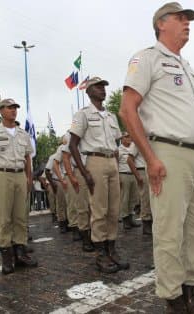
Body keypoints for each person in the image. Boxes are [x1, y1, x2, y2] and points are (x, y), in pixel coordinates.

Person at [120, 3, 194, 313]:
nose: (187, 23)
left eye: (188, 19)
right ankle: (173, 300)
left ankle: (192, 295)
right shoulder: (147, 58)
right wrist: (150, 158)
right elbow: (127, 109)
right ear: (161, 24)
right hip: (168, 152)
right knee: (170, 231)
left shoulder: (188, 67)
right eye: (180, 18)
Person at [69, 76, 128, 274]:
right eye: (98, 86)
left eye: (104, 86)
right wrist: (85, 172)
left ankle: (112, 250)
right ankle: (101, 253)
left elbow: (117, 143)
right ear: (88, 91)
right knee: (99, 209)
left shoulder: (111, 116)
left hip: (112, 161)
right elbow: (73, 145)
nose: (103, 89)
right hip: (95, 161)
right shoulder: (83, 115)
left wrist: (117, 168)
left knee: (113, 209)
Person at [0, 98, 37, 275]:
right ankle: (6, 256)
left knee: (21, 217)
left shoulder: (23, 134)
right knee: (4, 217)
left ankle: (20, 253)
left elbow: (27, 157)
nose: (13, 110)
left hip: (20, 175)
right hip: (2, 175)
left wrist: (29, 177)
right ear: (1, 111)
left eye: (15, 108)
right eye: (9, 108)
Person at [126, 136, 153, 235]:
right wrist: (138, 176)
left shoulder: (152, 140)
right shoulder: (138, 140)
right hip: (142, 170)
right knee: (146, 199)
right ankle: (146, 224)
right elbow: (129, 160)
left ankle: (151, 223)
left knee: (153, 199)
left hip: (151, 170)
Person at [118, 132, 142, 230]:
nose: (129, 138)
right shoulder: (119, 150)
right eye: (126, 136)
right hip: (124, 175)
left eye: (130, 136)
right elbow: (115, 164)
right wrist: (118, 177)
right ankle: (125, 220)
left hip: (133, 175)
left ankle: (131, 218)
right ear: (122, 138)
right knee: (125, 198)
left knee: (133, 198)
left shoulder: (133, 148)